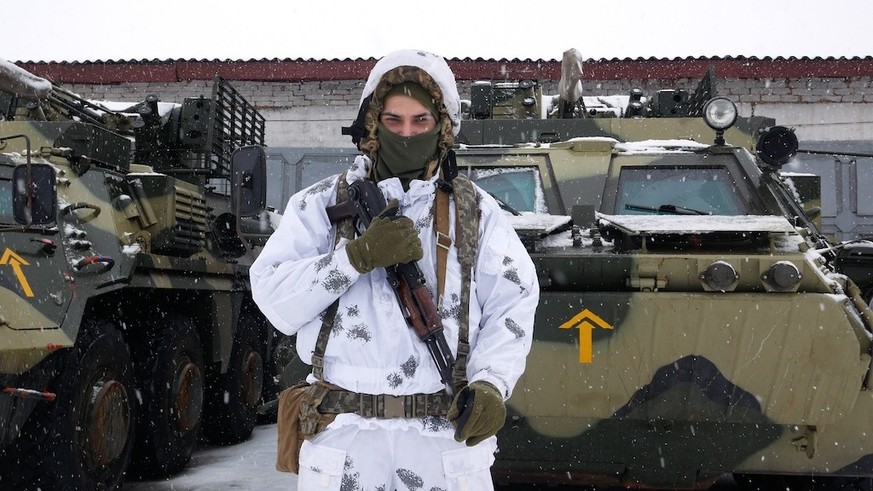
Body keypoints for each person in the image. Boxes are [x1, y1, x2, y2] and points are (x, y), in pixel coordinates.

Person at [250, 49, 538, 490]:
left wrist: (492, 383)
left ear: (442, 127)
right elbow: (272, 297)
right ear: (372, 124)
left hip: (441, 439)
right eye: (393, 121)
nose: (407, 134)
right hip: (345, 437)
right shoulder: (319, 206)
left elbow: (512, 303)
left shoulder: (475, 211)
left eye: (420, 121)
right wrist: (354, 258)